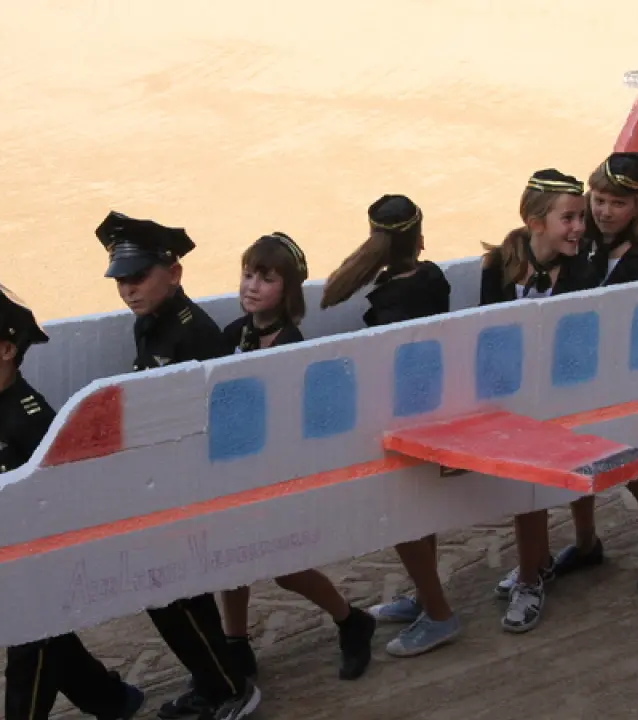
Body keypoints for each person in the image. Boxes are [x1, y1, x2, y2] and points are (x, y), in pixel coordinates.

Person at [0, 266, 145, 720]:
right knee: (51, 642)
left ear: (7, 350)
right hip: (12, 549)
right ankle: (112, 701)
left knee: (29, 650)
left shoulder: (30, 418)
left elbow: (60, 492)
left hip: (41, 554)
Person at [493, 152, 638, 599]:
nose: (603, 211)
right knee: (577, 455)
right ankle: (586, 543)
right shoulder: (585, 241)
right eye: (598, 200)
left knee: (628, 463)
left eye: (616, 203)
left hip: (627, 378)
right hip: (581, 374)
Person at [98, 211, 261, 720]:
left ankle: (230, 689)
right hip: (166, 483)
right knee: (174, 593)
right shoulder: (152, 324)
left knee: (171, 591)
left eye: (137, 277)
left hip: (193, 484)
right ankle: (216, 679)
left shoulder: (193, 334)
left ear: (174, 273)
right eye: (120, 279)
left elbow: (217, 420)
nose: (127, 289)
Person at [215, 232, 377, 681]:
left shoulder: (291, 344)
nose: (252, 286)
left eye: (266, 279)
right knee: (231, 561)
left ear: (287, 291)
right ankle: (235, 642)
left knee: (284, 567)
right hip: (237, 468)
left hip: (276, 470)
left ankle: (350, 619)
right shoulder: (233, 333)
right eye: (248, 275)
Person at [321, 194, 458, 658]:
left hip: (403, 418)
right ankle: (425, 597)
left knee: (405, 519)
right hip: (428, 411)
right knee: (417, 515)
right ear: (420, 239)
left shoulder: (394, 297)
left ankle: (439, 613)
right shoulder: (430, 278)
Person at [476, 169, 597, 634]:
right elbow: (489, 332)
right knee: (525, 487)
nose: (579, 228)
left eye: (581, 217)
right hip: (514, 396)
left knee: (533, 487)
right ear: (535, 222)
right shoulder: (497, 265)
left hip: (563, 394)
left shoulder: (583, 268)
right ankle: (537, 564)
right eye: (569, 218)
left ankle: (531, 578)